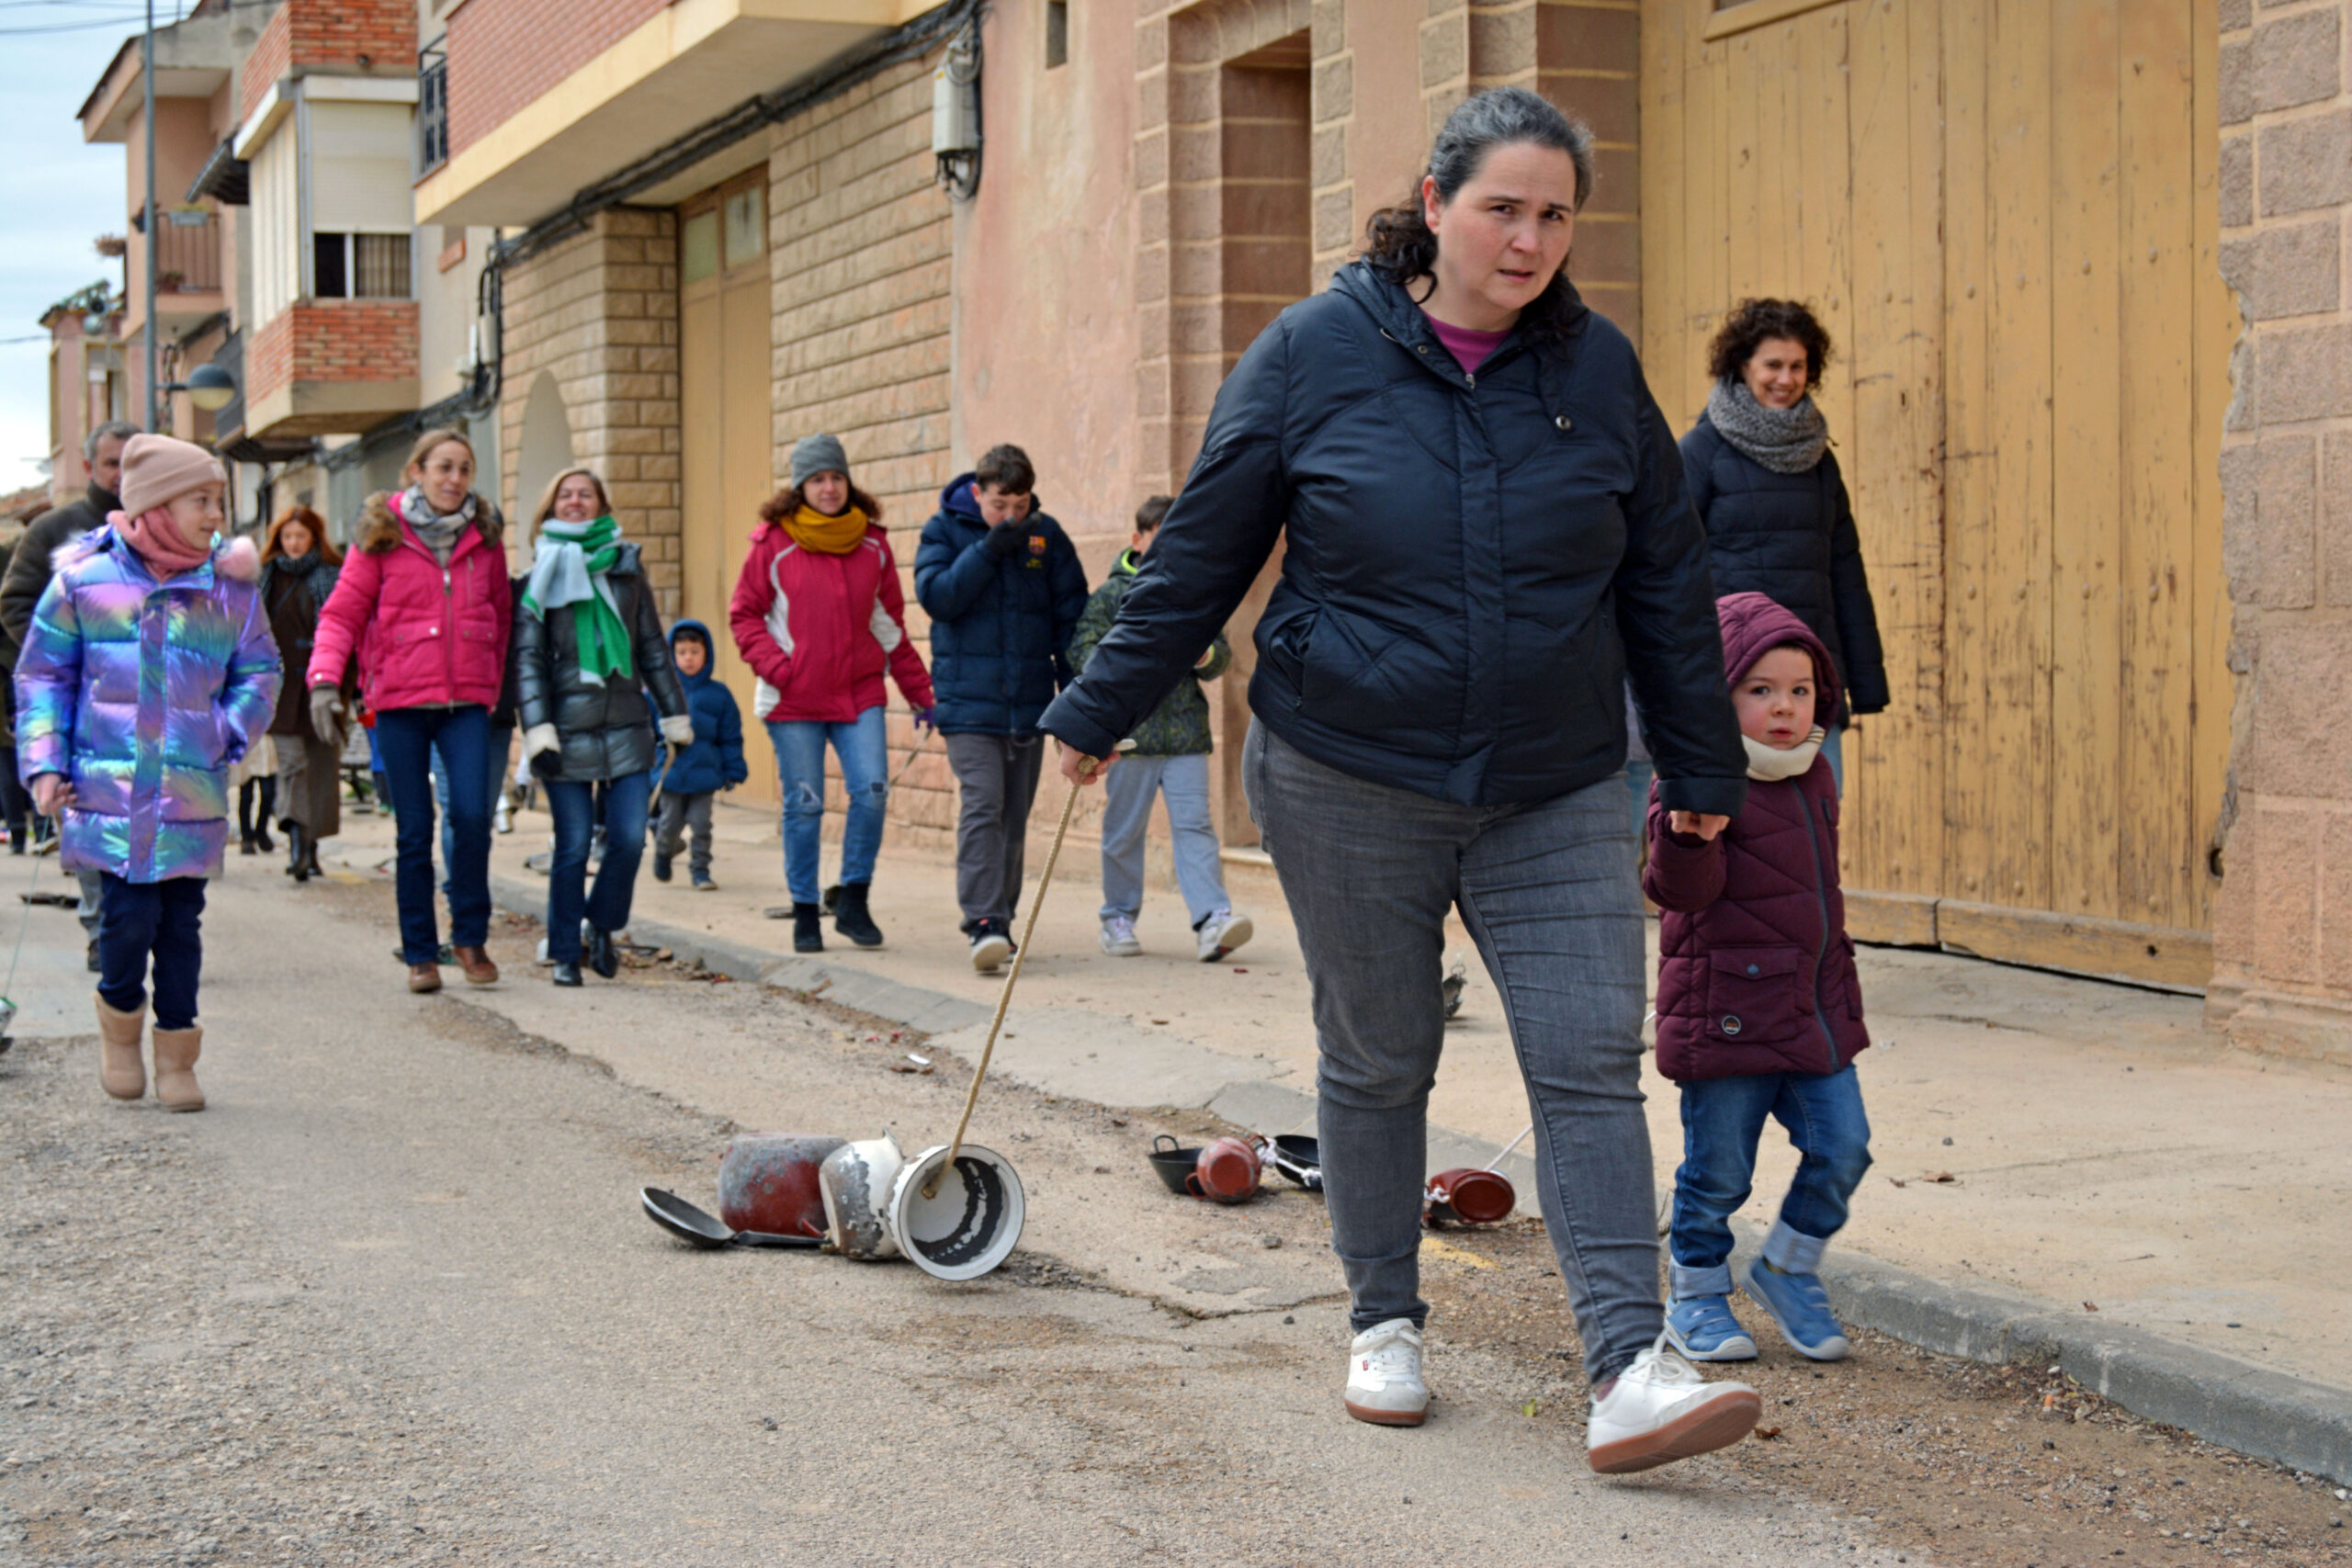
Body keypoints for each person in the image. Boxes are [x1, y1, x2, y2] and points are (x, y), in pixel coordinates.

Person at [1041, 86, 1764, 1472]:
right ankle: (1383, 1313)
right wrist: (1101, 704)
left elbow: (1668, 580)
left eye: (1556, 214)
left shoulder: (1598, 370)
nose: (1530, 238)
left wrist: (1699, 761)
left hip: (1553, 777)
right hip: (1346, 769)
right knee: (1381, 1053)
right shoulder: (1313, 352)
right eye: (1503, 207)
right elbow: (1202, 544)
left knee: (1588, 1057)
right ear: (1434, 206)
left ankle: (1630, 1363)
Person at [14, 434, 280, 1111]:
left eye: (219, 499)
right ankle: (120, 1027)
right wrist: (44, 764)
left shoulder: (229, 586)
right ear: (157, 504)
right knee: (125, 923)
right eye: (201, 499)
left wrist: (226, 731)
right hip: (104, 790)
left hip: (188, 789)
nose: (215, 513)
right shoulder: (83, 580)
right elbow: (43, 675)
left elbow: (260, 669)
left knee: (181, 927)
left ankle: (178, 1057)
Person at [1645, 592, 1873, 1364]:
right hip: (1728, 1010)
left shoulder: (1814, 778)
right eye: (1761, 689)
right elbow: (1676, 893)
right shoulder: (1695, 775)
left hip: (1813, 1007)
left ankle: (1787, 1267)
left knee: (1845, 1146)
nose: (1784, 707)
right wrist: (1688, 837)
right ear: (1720, 693)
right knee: (1719, 1174)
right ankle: (1697, 1292)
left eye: (1800, 690)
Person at [309, 428, 512, 993]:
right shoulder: (380, 537)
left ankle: (470, 939)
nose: (454, 479)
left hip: (466, 702)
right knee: (414, 830)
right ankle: (421, 953)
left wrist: (492, 684)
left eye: (464, 469)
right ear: (416, 471)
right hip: (398, 702)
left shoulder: (486, 540)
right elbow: (342, 614)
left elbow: (501, 616)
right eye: (443, 467)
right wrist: (326, 680)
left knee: (472, 817)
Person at [732, 434, 935, 954]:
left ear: (849, 483)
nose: (829, 487)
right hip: (792, 699)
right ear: (800, 487)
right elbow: (745, 616)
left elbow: (889, 626)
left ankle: (853, 897)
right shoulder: (772, 544)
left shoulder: (871, 544)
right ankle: (805, 912)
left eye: (836, 478)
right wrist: (779, 669)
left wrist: (921, 694)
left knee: (871, 789)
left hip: (858, 692)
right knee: (805, 805)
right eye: (818, 479)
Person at [1680, 299, 1888, 792]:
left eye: (1798, 366)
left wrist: (1864, 680)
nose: (1786, 379)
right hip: (1732, 680)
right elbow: (1670, 566)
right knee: (1737, 833)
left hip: (1809, 679)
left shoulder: (1819, 461)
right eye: (1773, 364)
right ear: (1741, 366)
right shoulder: (1700, 453)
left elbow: (1844, 574)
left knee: (1816, 822)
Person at [514, 467, 689, 988]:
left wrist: (674, 713)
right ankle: (566, 949)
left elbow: (653, 647)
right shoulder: (537, 578)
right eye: (565, 494)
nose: (575, 501)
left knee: (631, 840)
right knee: (570, 845)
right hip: (565, 732)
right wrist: (537, 729)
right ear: (550, 509)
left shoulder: (627, 570)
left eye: (584, 494)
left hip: (629, 725)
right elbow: (527, 660)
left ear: (601, 506)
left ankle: (602, 925)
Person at [914, 444, 1086, 971]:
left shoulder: (1047, 536)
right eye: (999, 505)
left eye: (1020, 504)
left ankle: (1001, 926)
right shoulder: (944, 530)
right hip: (968, 703)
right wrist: (989, 547)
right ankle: (983, 921)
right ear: (977, 494)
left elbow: (1071, 622)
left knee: (1014, 818)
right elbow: (938, 597)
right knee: (983, 805)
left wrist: (1076, 705)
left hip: (1028, 704)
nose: (1010, 516)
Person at [1068, 494, 1252, 963]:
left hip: (1187, 736)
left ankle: (1213, 919)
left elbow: (1220, 656)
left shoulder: (1196, 589)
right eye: (1160, 537)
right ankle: (1117, 917)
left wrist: (1202, 655)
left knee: (1195, 825)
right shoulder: (1111, 595)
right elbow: (1083, 651)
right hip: (1130, 739)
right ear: (1138, 539)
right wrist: (1131, 666)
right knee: (1124, 830)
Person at [2, 419, 136, 967]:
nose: (124, 476)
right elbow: (14, 606)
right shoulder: (55, 530)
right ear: (90, 468)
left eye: (135, 464)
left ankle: (141, 931)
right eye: (113, 464)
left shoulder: (168, 530)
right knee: (86, 820)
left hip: (152, 712)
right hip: (80, 709)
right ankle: (103, 932)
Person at [257, 505, 344, 881]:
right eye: (287, 537)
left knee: (322, 768)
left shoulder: (330, 576)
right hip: (281, 689)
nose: (293, 544)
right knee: (292, 765)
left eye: (300, 537)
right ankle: (296, 844)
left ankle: (312, 845)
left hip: (324, 685)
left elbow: (343, 627)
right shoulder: (266, 577)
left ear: (314, 538)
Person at [652, 619, 746, 891]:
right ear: (672, 655)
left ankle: (700, 870)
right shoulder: (661, 692)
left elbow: (730, 737)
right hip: (671, 775)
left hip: (705, 775)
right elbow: (646, 732)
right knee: (669, 824)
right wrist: (650, 768)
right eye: (681, 652)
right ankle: (663, 851)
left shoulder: (719, 695)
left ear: (706, 653)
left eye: (695, 651)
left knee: (701, 824)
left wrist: (733, 770)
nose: (688, 658)